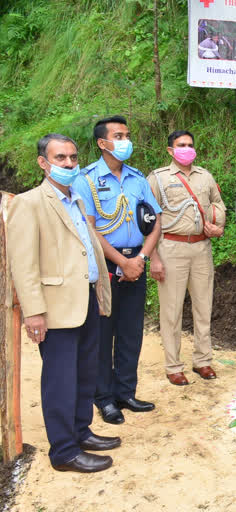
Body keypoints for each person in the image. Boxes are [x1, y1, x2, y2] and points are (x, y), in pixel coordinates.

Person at [7, 134, 120, 472]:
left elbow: (86, 248)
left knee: (86, 373)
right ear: (43, 163)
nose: (69, 164)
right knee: (60, 379)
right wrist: (34, 312)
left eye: (73, 157)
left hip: (84, 299)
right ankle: (64, 452)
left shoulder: (77, 200)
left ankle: (81, 431)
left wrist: (99, 291)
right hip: (54, 307)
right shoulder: (28, 203)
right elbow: (23, 264)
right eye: (61, 158)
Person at [72, 115, 162, 425]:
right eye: (119, 135)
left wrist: (141, 259)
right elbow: (90, 230)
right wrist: (122, 263)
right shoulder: (85, 180)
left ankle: (126, 392)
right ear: (102, 143)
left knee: (130, 332)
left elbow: (155, 221)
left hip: (137, 261)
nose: (125, 140)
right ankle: (105, 398)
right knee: (103, 332)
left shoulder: (138, 179)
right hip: (106, 266)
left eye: (127, 134)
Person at [148, 130, 225, 386]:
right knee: (171, 311)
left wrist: (218, 225)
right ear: (170, 150)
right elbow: (148, 220)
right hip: (171, 248)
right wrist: (154, 258)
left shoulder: (205, 176)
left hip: (201, 248)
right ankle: (173, 366)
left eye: (190, 144)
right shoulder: (158, 179)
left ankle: (203, 361)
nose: (186, 149)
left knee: (204, 308)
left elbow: (218, 203)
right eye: (181, 145)